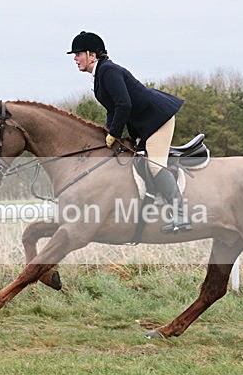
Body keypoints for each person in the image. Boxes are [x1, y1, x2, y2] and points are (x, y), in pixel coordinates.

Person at [67, 31, 191, 234]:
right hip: (144, 123)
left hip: (157, 118)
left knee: (154, 165)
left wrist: (114, 133)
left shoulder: (109, 71)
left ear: (92, 55)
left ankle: (181, 215)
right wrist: (108, 132)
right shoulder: (100, 75)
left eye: (78, 54)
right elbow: (113, 109)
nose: (75, 58)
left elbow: (124, 104)